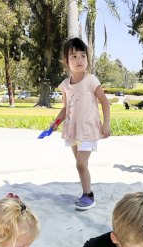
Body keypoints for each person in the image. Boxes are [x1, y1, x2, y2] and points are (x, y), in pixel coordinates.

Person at [49, 37, 111, 211]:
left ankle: (88, 196)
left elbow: (105, 102)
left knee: (81, 164)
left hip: (88, 128)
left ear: (87, 59)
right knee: (80, 164)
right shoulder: (65, 85)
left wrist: (106, 123)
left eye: (82, 56)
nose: (79, 60)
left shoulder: (91, 80)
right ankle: (86, 192)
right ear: (66, 61)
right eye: (73, 56)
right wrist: (55, 123)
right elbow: (66, 108)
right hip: (73, 129)